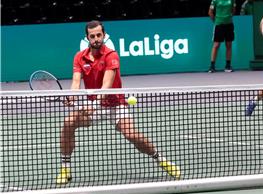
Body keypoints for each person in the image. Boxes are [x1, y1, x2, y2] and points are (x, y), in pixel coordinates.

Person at [56, 20, 180, 184]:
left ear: (104, 35)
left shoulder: (111, 55)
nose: (96, 39)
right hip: (95, 107)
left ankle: (160, 159)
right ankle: (65, 168)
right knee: (68, 122)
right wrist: (72, 96)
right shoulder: (79, 57)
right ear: (87, 38)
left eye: (99, 35)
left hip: (115, 104)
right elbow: (76, 82)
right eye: (92, 36)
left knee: (131, 134)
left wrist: (93, 105)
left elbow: (106, 85)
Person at [208, 0, 236, 73]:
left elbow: (233, 10)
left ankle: (228, 66)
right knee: (216, 45)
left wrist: (228, 17)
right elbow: (210, 12)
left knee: (229, 45)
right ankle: (212, 66)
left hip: (229, 24)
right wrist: (216, 21)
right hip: (219, 25)